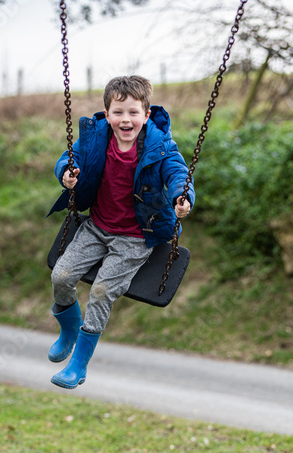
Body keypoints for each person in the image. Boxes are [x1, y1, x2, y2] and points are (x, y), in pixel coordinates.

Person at [47, 75, 195, 389]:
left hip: (135, 236)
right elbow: (67, 159)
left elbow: (178, 172)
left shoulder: (160, 145)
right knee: (60, 276)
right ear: (107, 113)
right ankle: (70, 328)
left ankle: (79, 363)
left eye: (132, 112)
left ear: (146, 113)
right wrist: (67, 174)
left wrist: (182, 196)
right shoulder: (95, 136)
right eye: (118, 112)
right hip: (97, 226)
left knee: (101, 291)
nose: (125, 119)